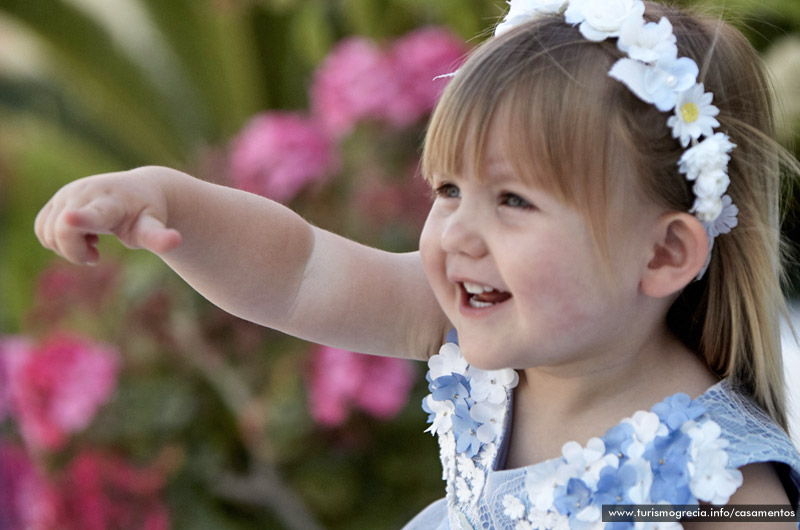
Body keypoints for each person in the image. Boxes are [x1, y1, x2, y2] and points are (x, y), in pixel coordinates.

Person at [33, 0, 800, 528]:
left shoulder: (715, 480)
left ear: (664, 253)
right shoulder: (470, 333)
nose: (459, 232)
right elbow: (298, 269)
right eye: (449, 189)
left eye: (514, 202)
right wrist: (166, 200)